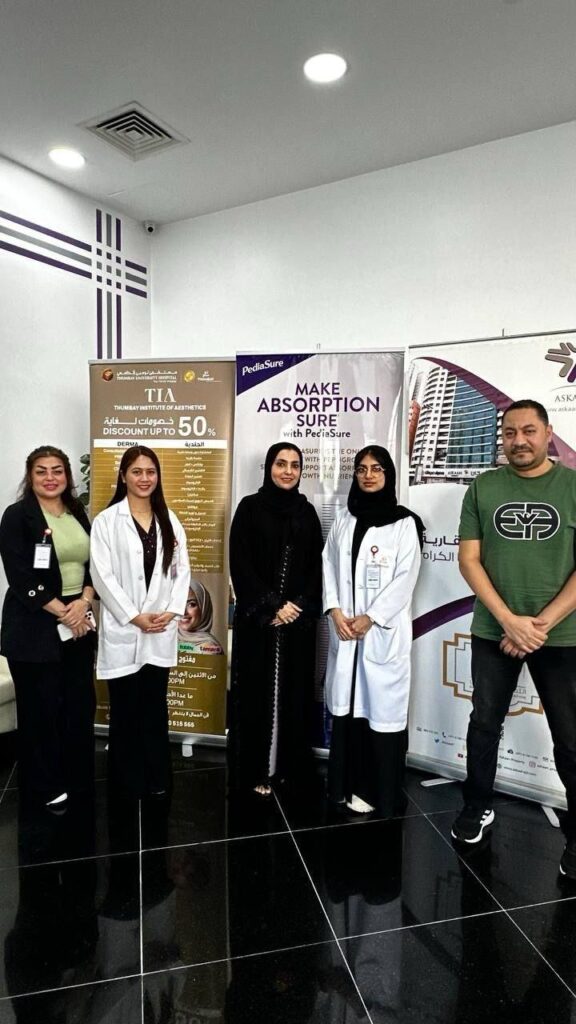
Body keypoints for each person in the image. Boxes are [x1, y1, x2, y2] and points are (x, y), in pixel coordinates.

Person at [452, 400, 576, 881]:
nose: (518, 440)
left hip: (562, 635)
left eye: (528, 431)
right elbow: (469, 560)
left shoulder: (572, 486)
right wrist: (509, 622)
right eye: (509, 432)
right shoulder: (483, 487)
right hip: (494, 631)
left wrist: (535, 626)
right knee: (484, 724)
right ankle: (477, 805)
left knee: (570, 737)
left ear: (548, 433)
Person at [323, 445, 423, 818]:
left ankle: (377, 791)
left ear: (388, 475)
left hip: (380, 633)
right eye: (362, 469)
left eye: (377, 468)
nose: (368, 475)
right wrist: (334, 610)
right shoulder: (344, 518)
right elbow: (328, 565)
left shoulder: (405, 523)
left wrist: (371, 617)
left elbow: (405, 579)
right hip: (346, 631)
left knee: (379, 715)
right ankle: (342, 786)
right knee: (348, 711)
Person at [90, 445, 190, 798]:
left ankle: (157, 776)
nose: (144, 478)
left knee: (154, 706)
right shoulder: (106, 521)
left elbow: (182, 570)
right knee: (125, 709)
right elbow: (101, 576)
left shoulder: (169, 519)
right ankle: (127, 780)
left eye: (150, 472)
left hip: (159, 626)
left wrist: (171, 610)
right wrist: (133, 616)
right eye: (136, 471)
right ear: (123, 476)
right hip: (125, 626)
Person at [0, 446, 96, 809]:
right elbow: (20, 575)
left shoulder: (76, 511)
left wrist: (84, 602)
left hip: (78, 620)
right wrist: (65, 612)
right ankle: (43, 785)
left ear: (67, 476)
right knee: (40, 710)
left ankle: (74, 775)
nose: (50, 477)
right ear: (30, 476)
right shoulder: (17, 516)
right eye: (41, 471)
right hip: (33, 625)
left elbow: (94, 564)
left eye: (57, 470)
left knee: (77, 704)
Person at [229, 443, 323, 796]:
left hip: (295, 625)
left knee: (293, 693)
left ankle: (286, 768)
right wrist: (272, 605)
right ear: (269, 467)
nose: (287, 471)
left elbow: (317, 567)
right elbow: (240, 563)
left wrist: (297, 606)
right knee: (256, 692)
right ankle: (256, 769)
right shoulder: (249, 508)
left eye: (294, 465)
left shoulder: (307, 513)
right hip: (261, 622)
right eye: (281, 464)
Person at [178, 580, 223, 654]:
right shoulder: (168, 636)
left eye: (191, 604)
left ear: (203, 608)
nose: (182, 612)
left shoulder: (210, 649)